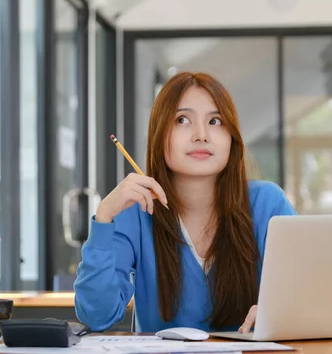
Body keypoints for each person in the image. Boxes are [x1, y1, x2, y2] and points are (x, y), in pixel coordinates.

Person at [74, 71, 297, 334]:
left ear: (232, 138)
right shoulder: (135, 209)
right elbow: (97, 316)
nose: (201, 135)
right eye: (182, 120)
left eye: (215, 121)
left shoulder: (267, 203)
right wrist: (103, 218)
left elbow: (309, 286)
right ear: (159, 135)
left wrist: (281, 312)